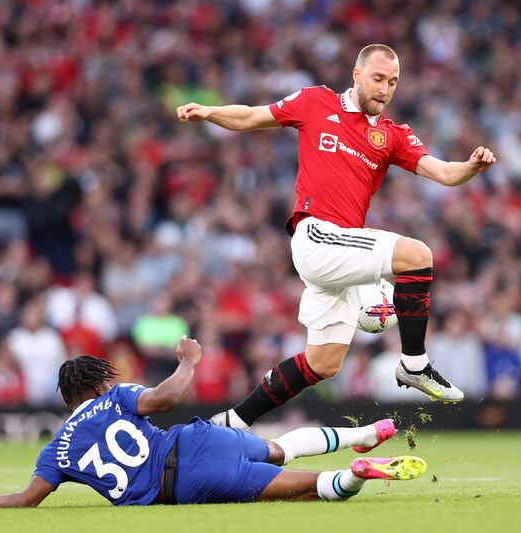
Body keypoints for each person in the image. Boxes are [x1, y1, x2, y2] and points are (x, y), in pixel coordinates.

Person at [176, 44, 496, 429]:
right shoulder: (315, 102)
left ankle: (230, 422)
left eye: (393, 82)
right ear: (357, 74)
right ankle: (415, 364)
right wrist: (210, 112)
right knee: (417, 254)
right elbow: (251, 116)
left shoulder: (393, 136)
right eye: (378, 79)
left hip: (340, 255)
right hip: (316, 236)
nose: (385, 89)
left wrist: (471, 167)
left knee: (322, 363)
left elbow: (444, 173)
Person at [0, 338, 425, 509]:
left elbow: (24, 501)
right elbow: (166, 398)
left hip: (184, 481)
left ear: (68, 399)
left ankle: (349, 476)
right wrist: (189, 362)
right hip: (197, 438)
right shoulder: (118, 397)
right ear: (100, 383)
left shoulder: (55, 451)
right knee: (277, 448)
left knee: (305, 490)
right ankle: (359, 436)